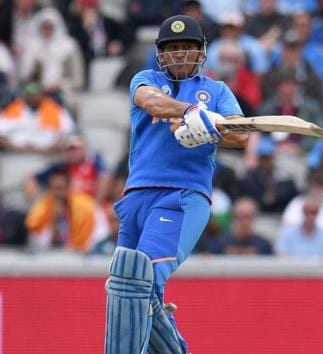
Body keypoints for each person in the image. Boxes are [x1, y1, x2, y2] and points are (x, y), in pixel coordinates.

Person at [104, 15, 249, 354]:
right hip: (137, 196)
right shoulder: (146, 79)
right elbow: (151, 103)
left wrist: (214, 126)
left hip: (183, 196)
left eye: (188, 47)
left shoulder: (217, 91)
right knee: (123, 286)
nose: (181, 54)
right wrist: (191, 113)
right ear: (160, 53)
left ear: (202, 52)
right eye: (173, 48)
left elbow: (240, 135)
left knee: (145, 279)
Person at [205, 197, 273, 255]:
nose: (244, 222)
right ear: (233, 217)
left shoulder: (264, 245)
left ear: (255, 217)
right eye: (241, 216)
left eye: (248, 217)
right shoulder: (220, 243)